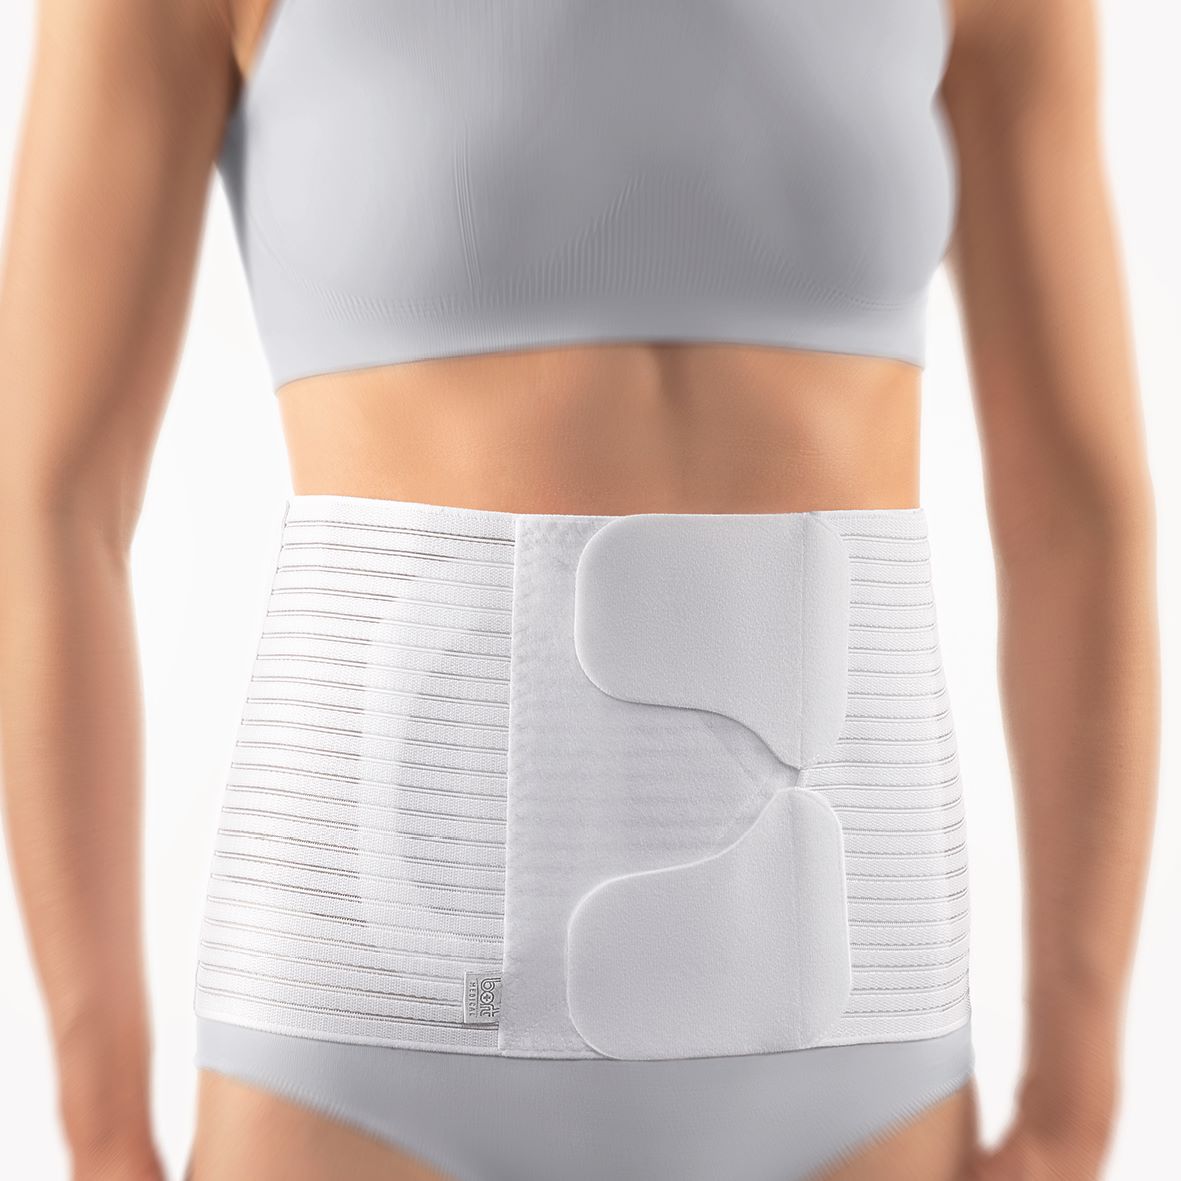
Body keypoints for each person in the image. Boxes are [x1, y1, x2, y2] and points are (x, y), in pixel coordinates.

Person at [0, 1, 1159, 1179]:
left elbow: (1074, 513)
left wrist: (1070, 1105)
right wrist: (102, 1127)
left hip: (862, 1068)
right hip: (364, 1063)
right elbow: (53, 501)